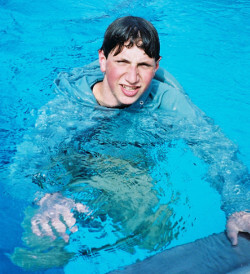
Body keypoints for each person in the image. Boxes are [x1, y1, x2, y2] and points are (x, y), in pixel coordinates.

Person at [10, 16, 249, 270]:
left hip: (125, 173)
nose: (132, 78)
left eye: (143, 65)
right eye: (122, 61)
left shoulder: (168, 103)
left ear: (156, 66)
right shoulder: (67, 109)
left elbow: (218, 149)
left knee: (158, 230)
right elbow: (21, 170)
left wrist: (240, 206)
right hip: (66, 169)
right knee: (41, 245)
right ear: (103, 60)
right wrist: (45, 197)